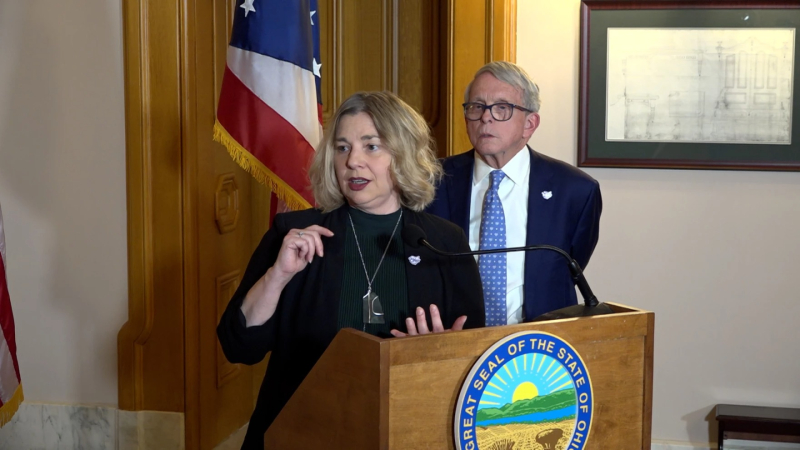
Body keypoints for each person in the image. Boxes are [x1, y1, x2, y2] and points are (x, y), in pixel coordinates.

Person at [217, 91, 485, 449]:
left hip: (407, 433)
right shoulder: (294, 234)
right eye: (342, 148)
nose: (353, 161)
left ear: (403, 154)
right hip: (302, 433)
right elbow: (239, 347)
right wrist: (277, 276)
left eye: (371, 147)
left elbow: (471, 362)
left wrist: (436, 355)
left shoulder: (444, 241)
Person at [427, 61, 602, 324]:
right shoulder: (432, 182)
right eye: (477, 107)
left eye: (501, 108)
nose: (485, 117)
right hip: (453, 336)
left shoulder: (575, 190)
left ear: (530, 123)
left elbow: (567, 266)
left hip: (540, 341)